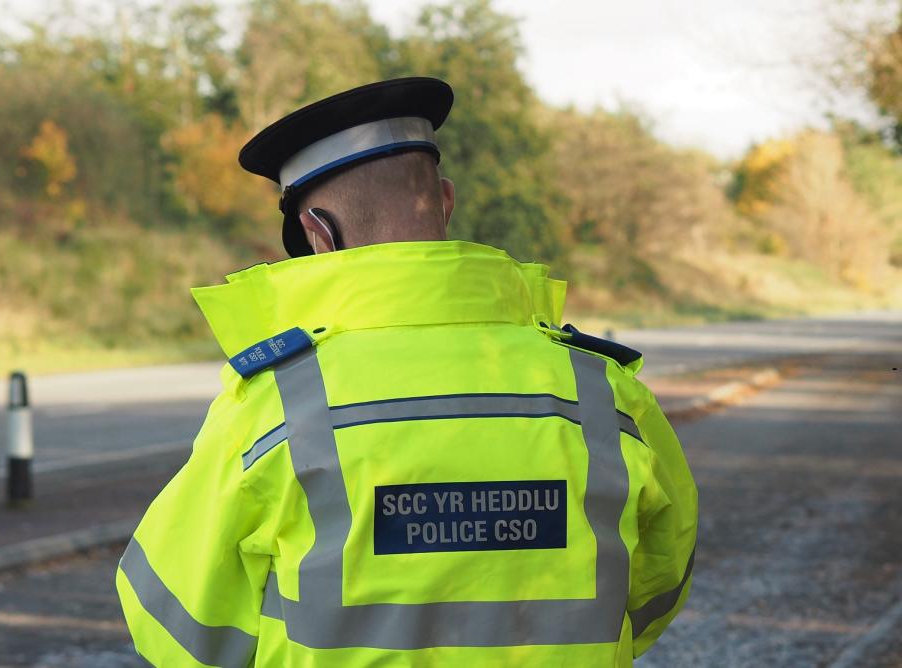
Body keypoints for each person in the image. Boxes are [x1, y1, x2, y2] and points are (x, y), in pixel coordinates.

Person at [116, 77, 697, 668]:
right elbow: (657, 587)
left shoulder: (275, 403)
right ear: (444, 201)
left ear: (317, 231)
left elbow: (178, 624)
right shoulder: (602, 389)